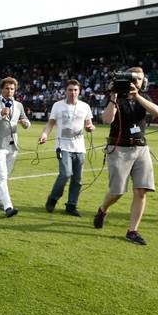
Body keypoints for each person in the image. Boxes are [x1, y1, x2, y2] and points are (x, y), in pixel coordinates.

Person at [94, 67, 158, 245]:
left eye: (140, 79)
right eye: (134, 79)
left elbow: (157, 112)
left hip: (140, 148)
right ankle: (102, 209)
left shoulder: (143, 97)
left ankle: (132, 231)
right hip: (119, 149)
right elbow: (107, 119)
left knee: (141, 190)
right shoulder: (116, 97)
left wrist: (137, 95)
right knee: (117, 192)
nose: (137, 82)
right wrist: (113, 97)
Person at [38, 79, 94, 216]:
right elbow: (51, 123)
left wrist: (90, 128)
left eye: (75, 90)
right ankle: (52, 199)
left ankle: (71, 205)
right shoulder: (57, 105)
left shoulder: (85, 106)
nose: (73, 92)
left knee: (77, 179)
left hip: (79, 148)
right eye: (70, 90)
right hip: (63, 146)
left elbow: (89, 124)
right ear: (65, 91)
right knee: (65, 174)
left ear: (79, 91)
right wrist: (44, 134)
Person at [0, 77, 31, 217]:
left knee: (5, 175)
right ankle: (8, 207)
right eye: (7, 88)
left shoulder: (19, 105)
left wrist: (25, 123)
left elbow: (26, 121)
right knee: (2, 175)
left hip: (12, 146)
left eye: (12, 89)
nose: (10, 91)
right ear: (1, 89)